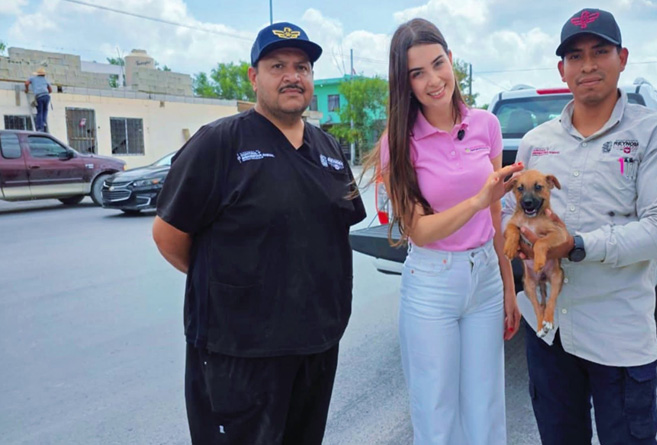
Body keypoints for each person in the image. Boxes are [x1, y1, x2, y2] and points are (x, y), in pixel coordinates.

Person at [152, 22, 365, 445]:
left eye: (302, 67)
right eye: (277, 66)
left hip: (317, 344)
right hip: (239, 353)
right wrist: (234, 284)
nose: (292, 76)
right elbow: (168, 235)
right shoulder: (218, 143)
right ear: (253, 77)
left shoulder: (329, 149)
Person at [501, 8, 657, 444]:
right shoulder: (535, 143)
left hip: (617, 334)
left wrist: (578, 245)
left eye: (600, 51)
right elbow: (512, 211)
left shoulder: (655, 134)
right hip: (548, 335)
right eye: (575, 56)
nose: (587, 65)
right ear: (562, 69)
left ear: (622, 58)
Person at [364, 18, 523, 444]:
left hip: (485, 278)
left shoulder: (486, 125)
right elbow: (419, 230)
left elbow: (495, 216)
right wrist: (477, 200)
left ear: (451, 59)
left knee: (486, 408)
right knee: (436, 413)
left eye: (438, 64)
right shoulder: (398, 143)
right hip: (433, 283)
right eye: (417, 73)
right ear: (405, 83)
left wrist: (508, 286)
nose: (434, 81)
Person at [25, 67, 52, 132]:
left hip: (39, 96)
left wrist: (27, 89)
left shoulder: (33, 78)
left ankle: (40, 127)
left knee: (40, 112)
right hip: (46, 96)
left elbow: (26, 83)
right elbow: (50, 90)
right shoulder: (46, 80)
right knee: (45, 110)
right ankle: (44, 123)